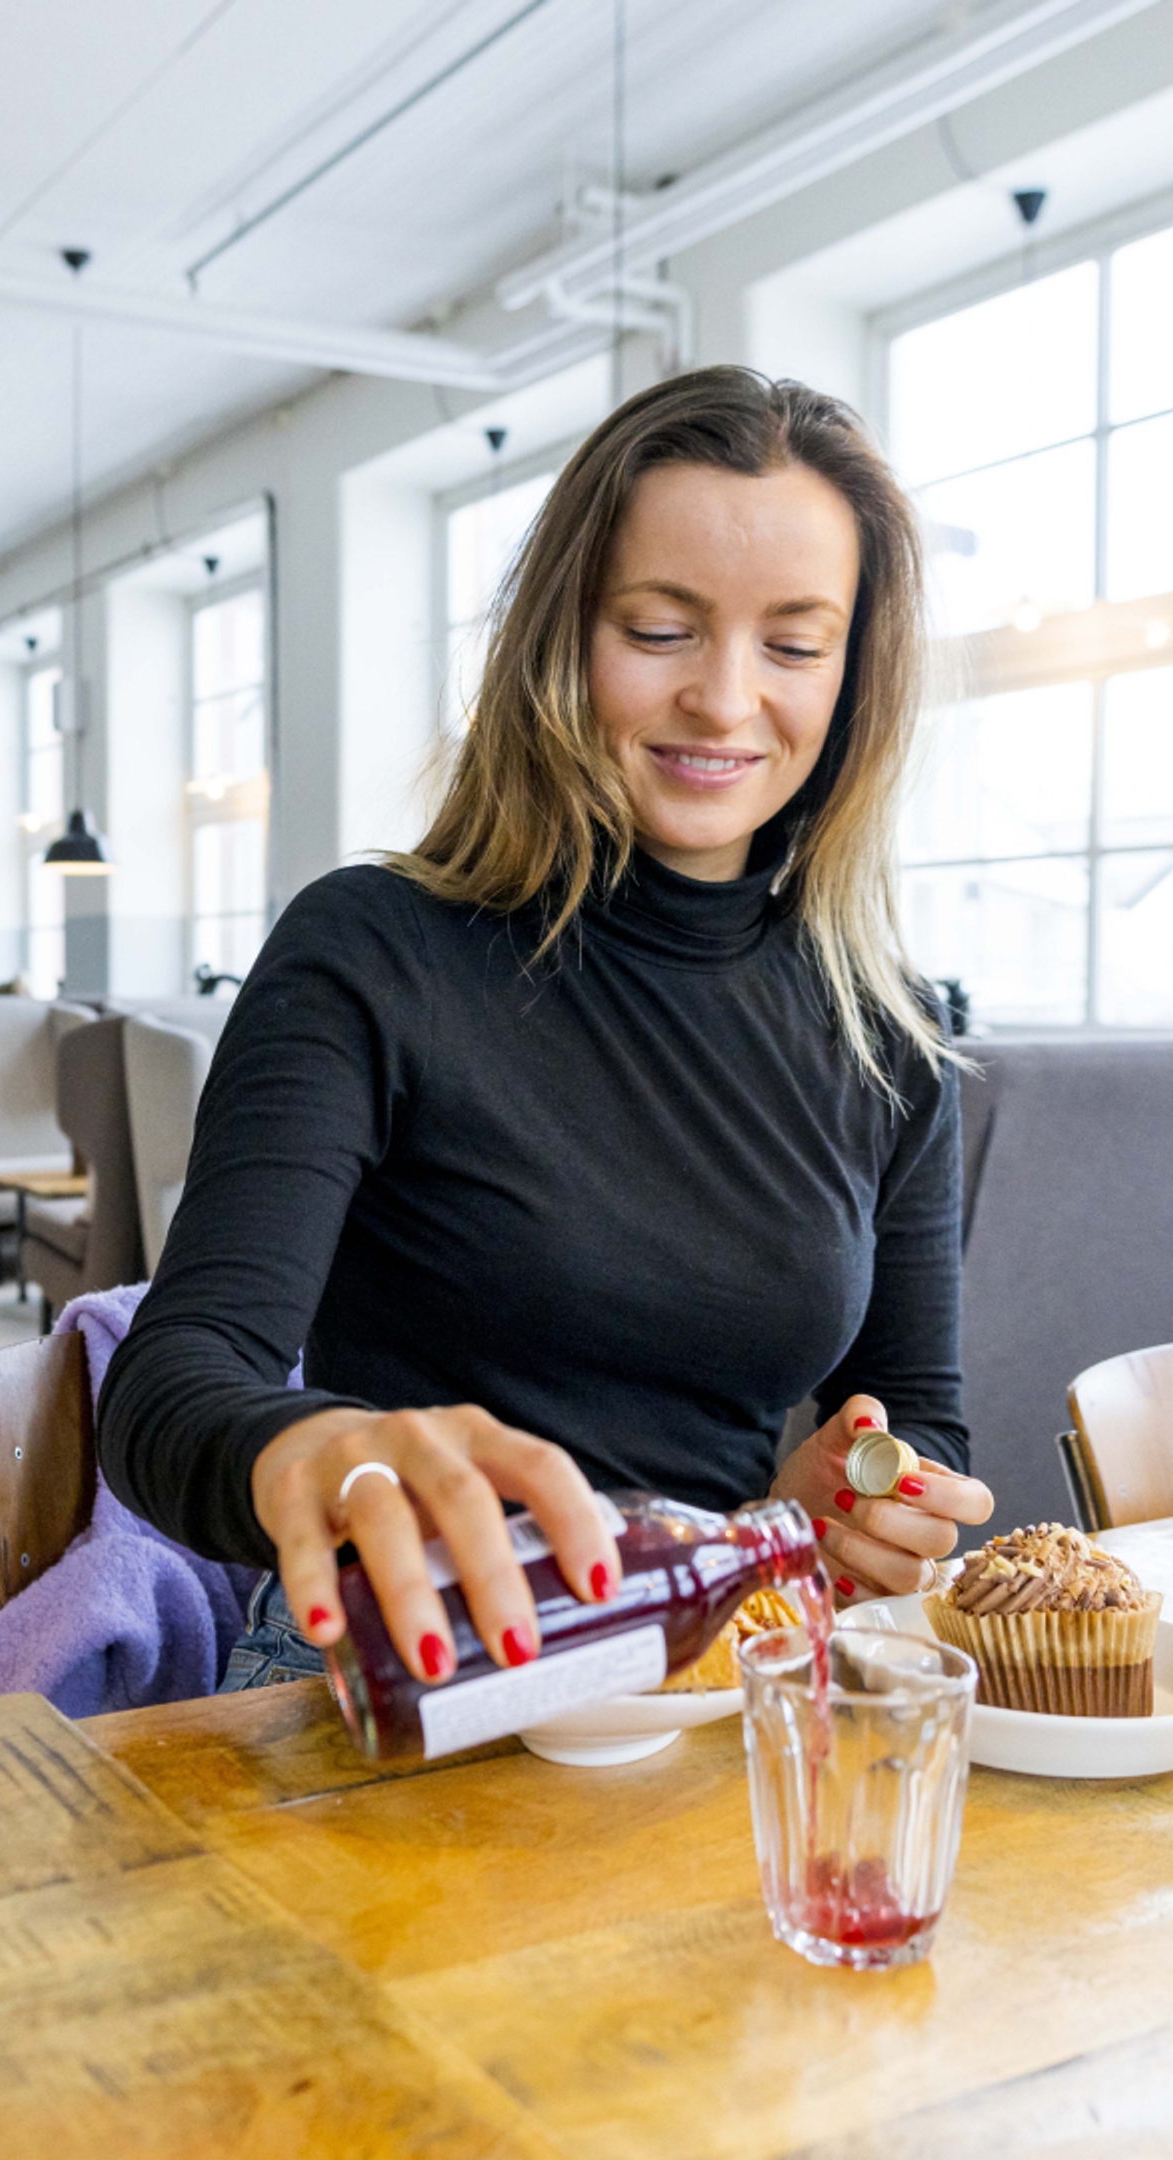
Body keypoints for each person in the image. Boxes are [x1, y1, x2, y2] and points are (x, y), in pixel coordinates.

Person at [100, 366, 994, 1694]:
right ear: (562, 639)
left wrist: (873, 1499)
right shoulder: (370, 951)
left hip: (712, 1666)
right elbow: (176, 1384)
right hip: (398, 1666)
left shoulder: (891, 1035)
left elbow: (917, 1414)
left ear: (855, 678)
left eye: (795, 645)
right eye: (659, 629)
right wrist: (322, 1455)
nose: (726, 698)